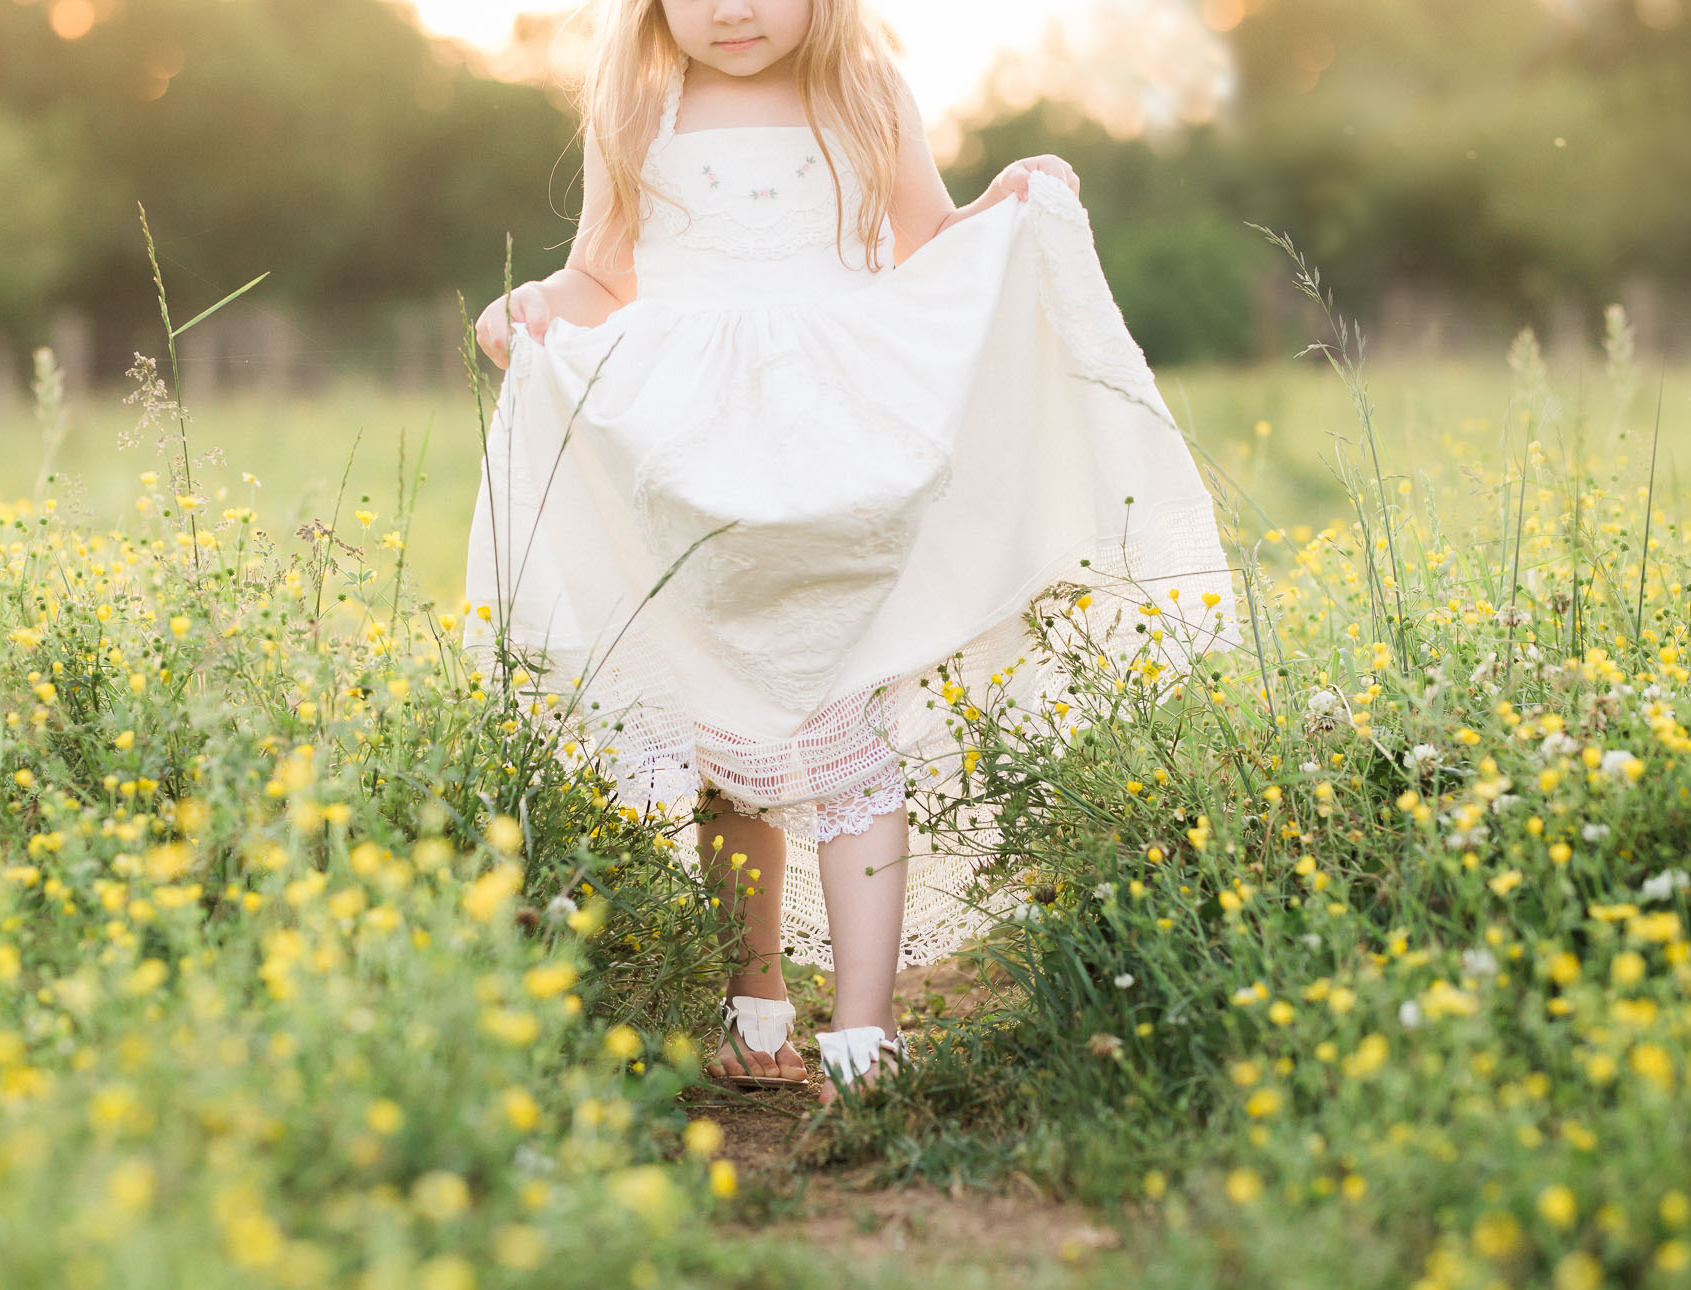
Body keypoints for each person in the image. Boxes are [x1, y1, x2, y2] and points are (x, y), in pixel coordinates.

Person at [466, 0, 1241, 1106]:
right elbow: (603, 273)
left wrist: (1003, 208)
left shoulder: (863, 91)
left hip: (838, 451)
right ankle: (754, 1014)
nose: (732, 9)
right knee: (727, 741)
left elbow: (931, 245)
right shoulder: (636, 106)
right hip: (696, 466)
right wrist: (539, 302)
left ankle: (864, 1034)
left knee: (848, 729)